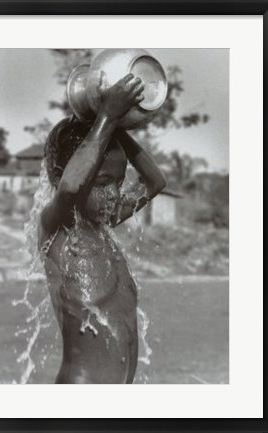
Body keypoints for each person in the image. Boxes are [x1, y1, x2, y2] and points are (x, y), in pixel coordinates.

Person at [39, 72, 166, 383]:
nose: (114, 194)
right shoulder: (57, 230)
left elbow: (155, 182)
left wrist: (118, 127)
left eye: (119, 183)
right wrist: (106, 116)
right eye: (103, 183)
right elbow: (70, 188)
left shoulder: (105, 223)